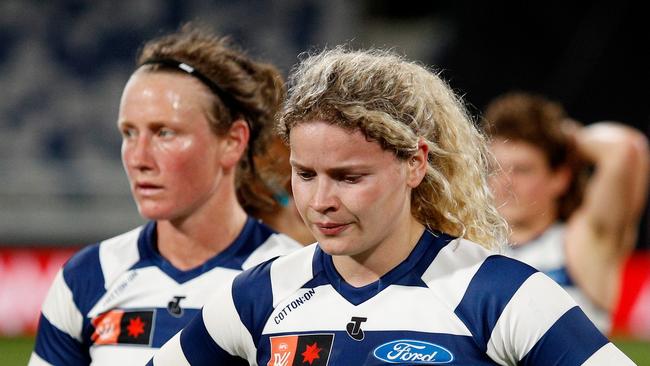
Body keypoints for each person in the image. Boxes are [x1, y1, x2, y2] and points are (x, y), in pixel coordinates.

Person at [148, 48, 633, 365]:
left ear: (414, 164)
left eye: (349, 177)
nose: (320, 202)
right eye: (305, 174)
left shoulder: (499, 294)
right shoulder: (259, 295)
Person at [28, 26, 302, 366]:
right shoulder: (86, 278)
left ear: (233, 141)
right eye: (128, 133)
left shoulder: (294, 281)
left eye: (164, 132)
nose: (139, 158)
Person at [482, 91, 649, 334]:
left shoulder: (583, 240)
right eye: (496, 169)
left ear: (559, 178)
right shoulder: (473, 245)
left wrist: (560, 136)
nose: (506, 183)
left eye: (522, 170)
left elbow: (625, 149)